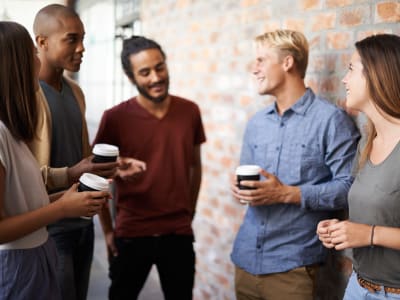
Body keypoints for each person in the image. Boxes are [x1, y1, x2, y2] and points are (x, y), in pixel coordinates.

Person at [230, 29, 360, 299]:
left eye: (261, 60)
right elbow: (247, 182)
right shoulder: (256, 123)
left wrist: (288, 193)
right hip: (244, 261)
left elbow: (349, 187)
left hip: (293, 269)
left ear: (287, 62)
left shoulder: (330, 121)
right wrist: (239, 189)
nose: (254, 69)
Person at [30, 4, 145, 300]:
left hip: (83, 224)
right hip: (49, 227)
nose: (82, 48)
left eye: (83, 38)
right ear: (42, 42)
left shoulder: (75, 92)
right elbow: (23, 178)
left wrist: (114, 169)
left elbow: (85, 165)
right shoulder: (25, 97)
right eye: (72, 39)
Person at [0, 21, 109, 300]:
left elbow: (21, 200)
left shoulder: (12, 131)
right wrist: (60, 210)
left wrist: (63, 199)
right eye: (31, 55)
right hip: (19, 265)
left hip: (38, 252)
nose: (37, 63)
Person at [93, 36, 206, 300]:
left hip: (178, 233)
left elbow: (195, 167)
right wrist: (109, 230)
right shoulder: (115, 118)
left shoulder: (190, 111)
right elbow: (96, 177)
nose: (156, 77)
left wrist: (189, 212)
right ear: (130, 77)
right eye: (145, 72)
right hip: (131, 232)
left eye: (160, 67)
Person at [317, 34, 400, 299]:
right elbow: (379, 214)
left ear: (377, 75)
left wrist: (370, 234)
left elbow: (372, 230)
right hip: (358, 287)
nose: (344, 80)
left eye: (351, 69)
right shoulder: (368, 142)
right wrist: (342, 230)